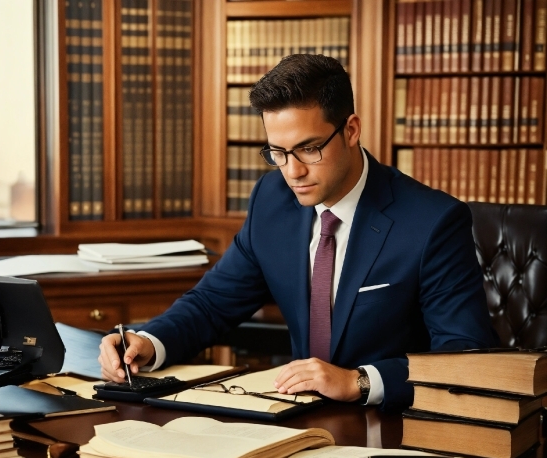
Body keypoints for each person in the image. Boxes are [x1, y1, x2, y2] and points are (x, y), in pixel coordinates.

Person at [99, 54, 498, 410]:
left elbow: (465, 355)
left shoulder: (433, 221)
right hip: (296, 416)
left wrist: (359, 381)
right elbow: (214, 302)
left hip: (393, 424)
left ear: (352, 130)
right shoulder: (271, 199)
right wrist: (148, 341)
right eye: (278, 152)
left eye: (309, 149)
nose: (293, 172)